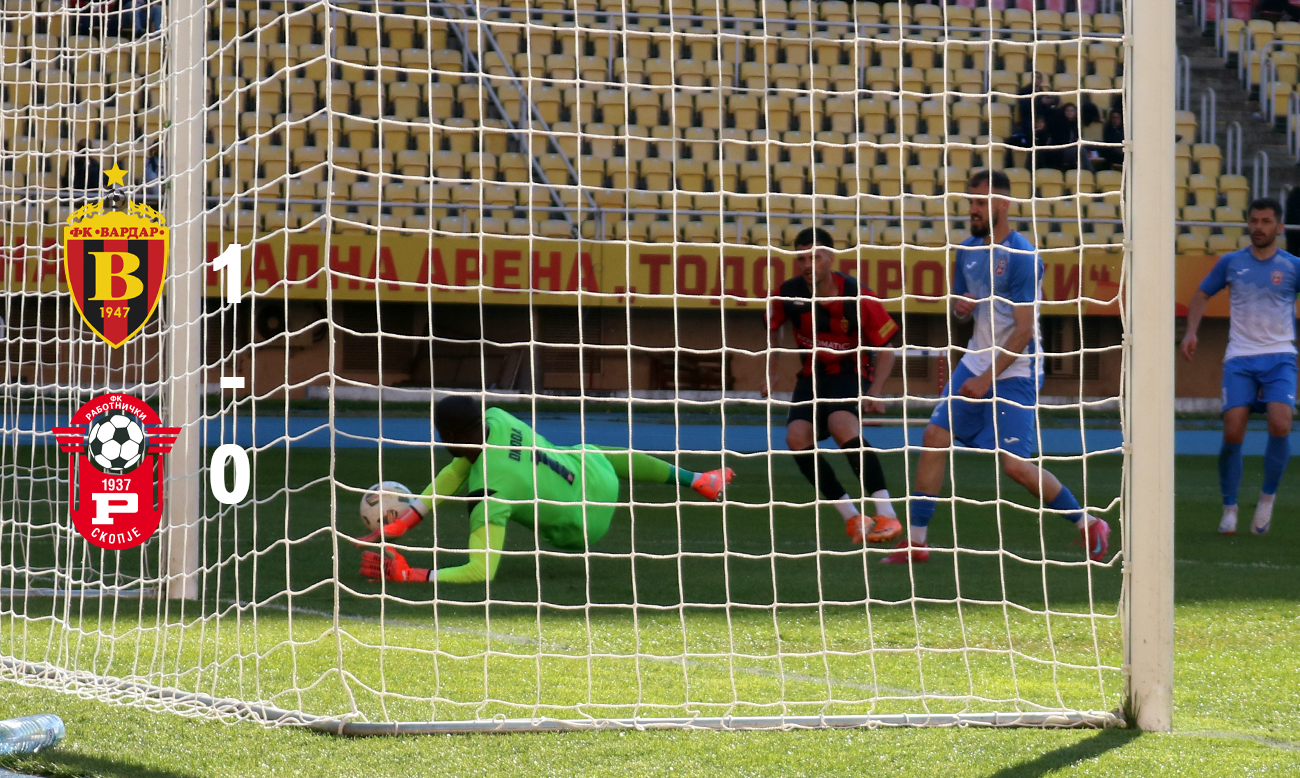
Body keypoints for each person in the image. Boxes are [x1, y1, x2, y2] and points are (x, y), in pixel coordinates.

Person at [883, 170, 1110, 564]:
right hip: (977, 359)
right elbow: (962, 314)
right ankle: (916, 543)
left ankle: (1088, 522)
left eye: (981, 202)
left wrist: (986, 380)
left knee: (1016, 467)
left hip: (1016, 368)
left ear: (1003, 205)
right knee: (934, 436)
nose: (973, 209)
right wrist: (960, 309)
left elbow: (1023, 332)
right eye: (971, 201)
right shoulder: (967, 250)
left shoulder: (1022, 256)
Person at [358, 396, 735, 584]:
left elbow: (481, 571)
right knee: (588, 451)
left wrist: (412, 573)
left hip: (585, 526)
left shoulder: (489, 493)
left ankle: (697, 480)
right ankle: (698, 480)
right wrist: (405, 522)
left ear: (448, 436)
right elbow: (458, 468)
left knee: (574, 463)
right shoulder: (496, 418)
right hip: (597, 477)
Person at [761, 226, 904, 545]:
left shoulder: (858, 295)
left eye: (815, 257)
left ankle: (888, 515)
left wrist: (875, 391)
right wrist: (771, 372)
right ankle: (853, 518)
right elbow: (773, 328)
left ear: (830, 258)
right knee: (796, 438)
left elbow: (888, 348)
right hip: (811, 376)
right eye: (801, 259)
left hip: (851, 371)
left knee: (841, 424)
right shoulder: (787, 293)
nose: (807, 265)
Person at [1180, 198, 1300, 535]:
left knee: (1281, 423)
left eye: (1266, 221)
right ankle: (1230, 507)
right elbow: (1201, 295)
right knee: (1233, 431)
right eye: (1254, 220)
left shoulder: (1292, 266)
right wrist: (1191, 332)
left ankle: (1266, 501)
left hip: (1280, 356)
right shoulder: (1231, 263)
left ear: (1279, 227)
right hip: (1240, 357)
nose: (1259, 227)